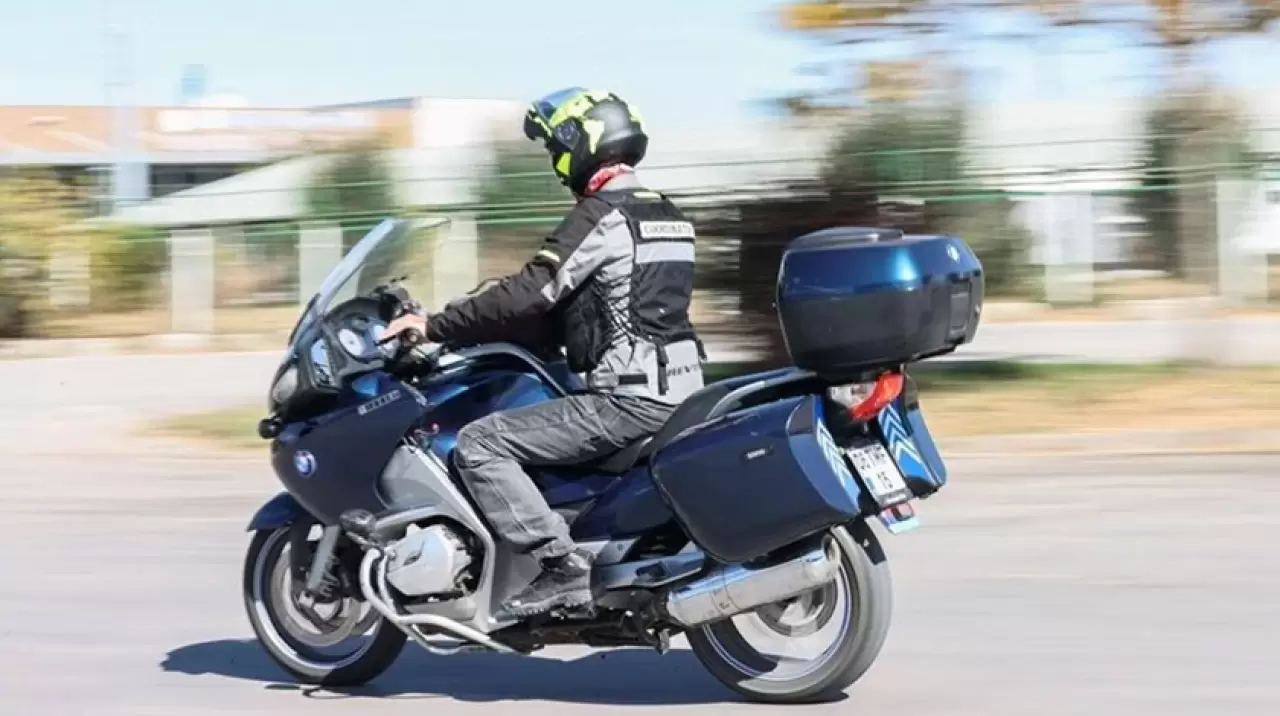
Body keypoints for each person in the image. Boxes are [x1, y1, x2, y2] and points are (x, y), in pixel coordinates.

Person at [383, 88, 705, 616]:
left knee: (480, 443)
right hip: (684, 390)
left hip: (627, 399)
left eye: (557, 145)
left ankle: (559, 564)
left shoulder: (602, 214)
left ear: (583, 142)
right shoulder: (667, 213)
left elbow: (530, 292)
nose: (556, 159)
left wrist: (434, 325)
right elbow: (602, 305)